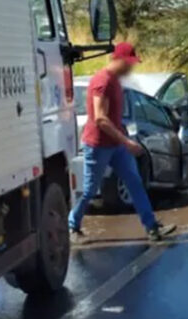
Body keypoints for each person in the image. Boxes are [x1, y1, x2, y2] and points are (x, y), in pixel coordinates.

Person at [68, 42, 176, 242]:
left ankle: (152, 227)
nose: (130, 67)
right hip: (98, 144)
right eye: (128, 63)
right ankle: (72, 226)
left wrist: (123, 135)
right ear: (117, 60)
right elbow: (100, 118)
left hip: (116, 145)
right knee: (90, 190)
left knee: (134, 182)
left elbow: (114, 117)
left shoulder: (116, 82)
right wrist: (127, 142)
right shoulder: (103, 81)